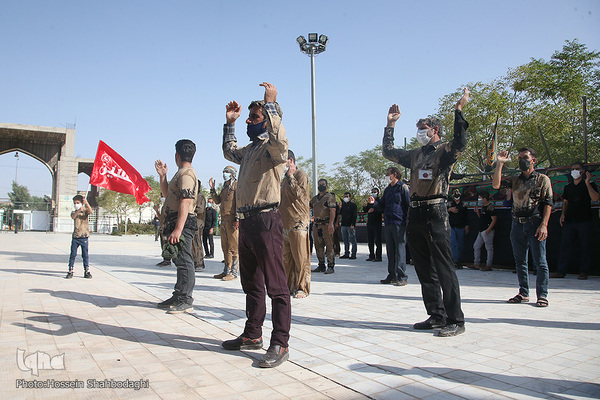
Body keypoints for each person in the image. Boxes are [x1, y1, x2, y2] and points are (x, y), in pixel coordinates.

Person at [382, 88, 470, 337]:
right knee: (423, 267)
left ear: (435, 130)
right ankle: (436, 314)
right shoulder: (415, 155)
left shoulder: (444, 151)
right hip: (416, 212)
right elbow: (388, 152)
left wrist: (459, 111)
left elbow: (461, 143)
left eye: (424, 129)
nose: (420, 132)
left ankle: (456, 319)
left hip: (436, 211)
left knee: (444, 267)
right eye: (418, 128)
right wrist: (390, 125)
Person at [220, 82, 291, 368]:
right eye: (248, 117)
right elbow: (229, 151)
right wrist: (230, 124)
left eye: (254, 117)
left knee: (276, 286)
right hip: (247, 222)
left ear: (268, 120)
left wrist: (270, 104)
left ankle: (280, 343)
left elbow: (280, 140)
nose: (249, 121)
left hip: (266, 220)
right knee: (251, 284)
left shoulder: (274, 149)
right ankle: (252, 335)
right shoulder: (250, 150)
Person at [492, 147, 553, 308]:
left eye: (525, 157)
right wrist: (500, 164)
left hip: (535, 223)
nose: (522, 161)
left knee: (540, 261)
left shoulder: (542, 179)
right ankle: (523, 292)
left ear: (533, 160)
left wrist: (544, 225)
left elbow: (548, 203)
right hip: (517, 223)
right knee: (520, 261)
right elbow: (496, 185)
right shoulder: (515, 179)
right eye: (519, 158)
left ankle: (542, 295)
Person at [154, 139, 198, 314]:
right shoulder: (180, 173)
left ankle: (186, 299)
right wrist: (163, 176)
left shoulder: (187, 174)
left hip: (183, 223)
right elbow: (167, 194)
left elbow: (185, 201)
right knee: (179, 260)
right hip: (176, 221)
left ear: (177, 155)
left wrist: (178, 229)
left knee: (185, 261)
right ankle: (178, 295)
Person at [551, 162, 599, 280]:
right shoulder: (568, 187)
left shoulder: (590, 184)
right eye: (572, 169)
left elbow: (595, 198)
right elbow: (565, 202)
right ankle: (561, 271)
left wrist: (587, 183)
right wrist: (563, 214)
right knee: (565, 246)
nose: (574, 171)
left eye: (577, 169)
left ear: (583, 171)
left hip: (585, 220)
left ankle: (584, 271)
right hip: (569, 220)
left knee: (585, 246)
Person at [370, 167, 410, 285]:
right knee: (390, 250)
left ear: (395, 174)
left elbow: (408, 205)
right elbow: (381, 205)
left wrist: (409, 222)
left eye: (388, 174)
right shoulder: (388, 190)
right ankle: (392, 275)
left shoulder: (403, 188)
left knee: (400, 250)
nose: (387, 176)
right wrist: (374, 203)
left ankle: (402, 276)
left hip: (399, 223)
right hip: (388, 223)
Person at [280, 150, 311, 298]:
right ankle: (288, 286)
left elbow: (299, 194)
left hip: (298, 223)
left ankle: (302, 288)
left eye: (283, 160)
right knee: (286, 259)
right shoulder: (284, 179)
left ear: (290, 160)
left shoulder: (300, 175)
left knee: (300, 258)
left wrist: (291, 176)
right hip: (285, 223)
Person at [209, 166, 239, 281]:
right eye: (224, 172)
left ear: (232, 174)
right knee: (225, 247)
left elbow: (239, 202)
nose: (224, 174)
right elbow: (217, 201)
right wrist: (212, 189)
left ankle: (234, 272)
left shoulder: (236, 186)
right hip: (224, 220)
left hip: (232, 220)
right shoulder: (225, 187)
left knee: (233, 247)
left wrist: (237, 219)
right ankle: (226, 270)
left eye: (227, 172)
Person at [310, 179, 337, 274]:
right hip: (317, 224)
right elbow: (308, 207)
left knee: (329, 245)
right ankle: (321, 265)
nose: (321, 185)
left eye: (323, 184)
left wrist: (331, 223)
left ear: (326, 186)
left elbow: (333, 210)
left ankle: (330, 265)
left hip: (326, 223)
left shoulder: (330, 197)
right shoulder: (314, 199)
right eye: (319, 184)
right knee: (318, 245)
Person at [66, 195, 93, 279]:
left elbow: (91, 211)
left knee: (85, 255)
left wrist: (86, 204)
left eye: (78, 203)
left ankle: (86, 270)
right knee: (73, 254)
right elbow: (73, 217)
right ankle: (70, 270)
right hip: (76, 236)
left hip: (84, 236)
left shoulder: (85, 212)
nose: (76, 204)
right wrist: (78, 210)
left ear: (81, 203)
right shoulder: (74, 212)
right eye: (75, 203)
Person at [469, 191, 497, 271]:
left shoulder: (490, 207)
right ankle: (476, 264)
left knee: (489, 248)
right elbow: (482, 218)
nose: (479, 200)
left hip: (487, 231)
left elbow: (494, 220)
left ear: (484, 199)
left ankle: (488, 265)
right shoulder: (483, 207)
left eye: (480, 198)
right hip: (481, 230)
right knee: (476, 246)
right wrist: (478, 213)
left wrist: (488, 230)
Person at [448, 189, 469, 269]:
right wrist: (450, 209)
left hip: (461, 227)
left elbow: (467, 216)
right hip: (452, 226)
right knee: (453, 243)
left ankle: (458, 261)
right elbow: (444, 213)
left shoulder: (463, 205)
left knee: (459, 244)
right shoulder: (450, 204)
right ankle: (453, 261)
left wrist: (467, 225)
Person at [364, 187, 383, 262]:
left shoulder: (379, 201)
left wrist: (374, 209)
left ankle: (378, 256)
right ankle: (371, 255)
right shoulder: (369, 200)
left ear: (378, 193)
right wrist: (365, 206)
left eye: (374, 192)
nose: (373, 193)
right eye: (372, 192)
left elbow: (381, 210)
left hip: (377, 223)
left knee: (378, 240)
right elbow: (366, 210)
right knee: (370, 240)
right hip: (370, 223)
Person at [192, 180, 206, 272]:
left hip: (198, 222)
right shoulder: (194, 196)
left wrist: (190, 208)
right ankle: (194, 260)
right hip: (193, 222)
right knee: (192, 243)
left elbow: (200, 210)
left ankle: (199, 262)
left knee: (197, 242)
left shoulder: (199, 196)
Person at [339, 192, 358, 260]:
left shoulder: (353, 205)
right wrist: (340, 207)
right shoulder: (343, 205)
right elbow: (340, 213)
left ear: (350, 197)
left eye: (347, 196)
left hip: (350, 225)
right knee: (345, 240)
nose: (346, 198)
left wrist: (353, 224)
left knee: (353, 240)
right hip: (343, 224)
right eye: (345, 196)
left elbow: (354, 215)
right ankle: (346, 253)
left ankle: (353, 254)